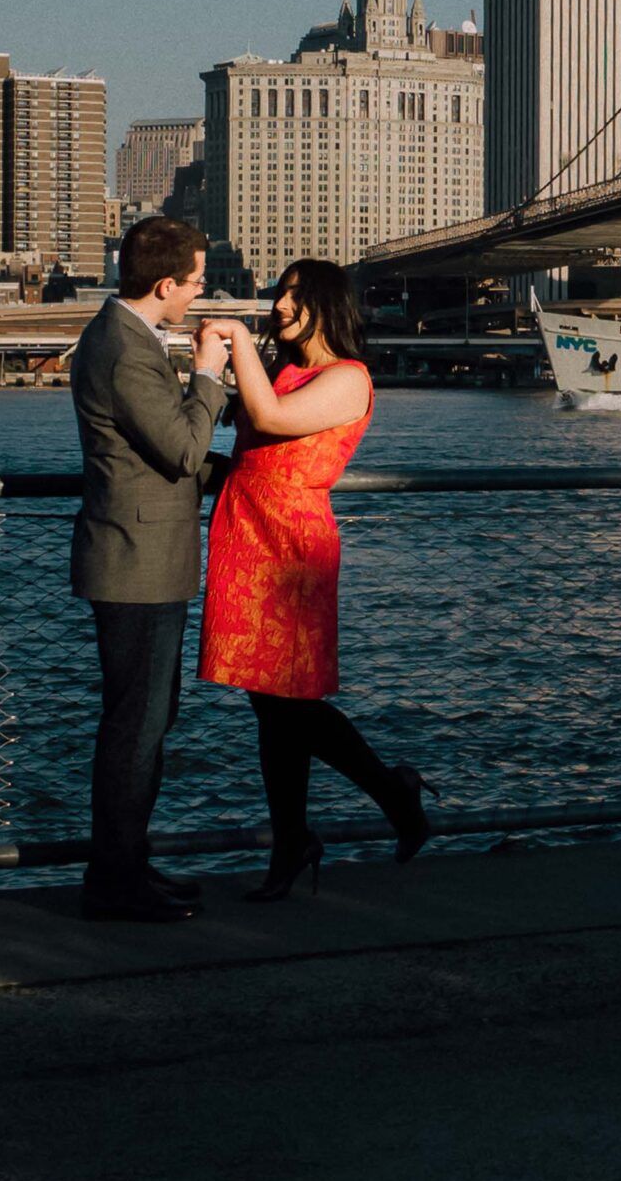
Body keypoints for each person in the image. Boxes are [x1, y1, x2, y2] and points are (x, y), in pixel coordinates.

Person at [199, 259, 433, 901]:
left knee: (289, 702)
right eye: (279, 293)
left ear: (328, 304)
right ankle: (296, 838)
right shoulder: (285, 371)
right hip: (245, 534)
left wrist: (237, 339)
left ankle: (385, 796)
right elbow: (255, 442)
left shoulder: (348, 378)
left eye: (295, 295)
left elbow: (273, 420)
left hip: (291, 546)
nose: (279, 305)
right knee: (268, 702)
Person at [69, 216, 233, 924]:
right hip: (135, 564)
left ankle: (128, 865)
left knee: (147, 722)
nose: (199, 294)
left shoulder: (128, 337)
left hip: (144, 557)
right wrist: (208, 373)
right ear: (165, 285)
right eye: (195, 282)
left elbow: (161, 452)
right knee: (135, 729)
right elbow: (182, 449)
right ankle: (113, 882)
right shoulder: (125, 351)